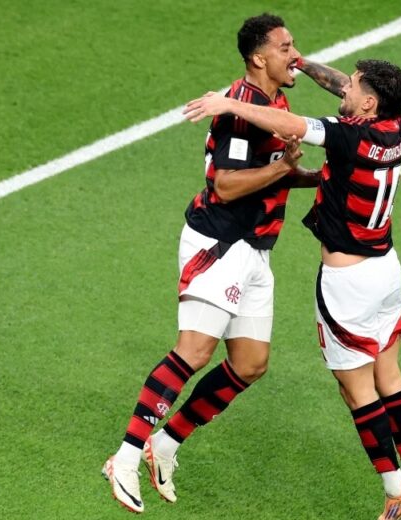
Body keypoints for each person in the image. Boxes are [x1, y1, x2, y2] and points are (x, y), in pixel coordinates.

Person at [183, 57, 401, 520]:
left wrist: (229, 104)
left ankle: (394, 489)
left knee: (356, 389)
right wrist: (303, 63)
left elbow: (291, 125)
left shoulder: (348, 136)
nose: (344, 89)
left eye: (353, 87)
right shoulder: (394, 124)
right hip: (386, 269)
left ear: (368, 103)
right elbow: (343, 88)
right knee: (390, 377)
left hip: (349, 284)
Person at [101, 14, 317, 513]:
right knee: (194, 352)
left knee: (250, 364)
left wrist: (318, 177)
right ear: (259, 58)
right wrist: (285, 167)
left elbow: (273, 171)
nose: (295, 56)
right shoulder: (239, 112)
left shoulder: (272, 102)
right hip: (219, 245)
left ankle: (165, 444)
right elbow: (226, 184)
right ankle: (125, 458)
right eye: (286, 47)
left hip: (256, 248)